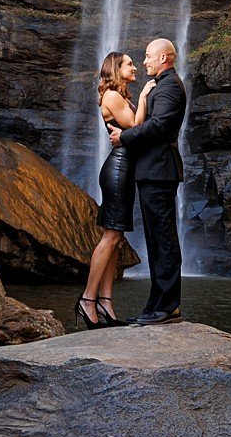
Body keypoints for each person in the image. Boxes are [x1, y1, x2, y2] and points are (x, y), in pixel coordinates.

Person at [109, 37, 187, 325]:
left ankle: (167, 307)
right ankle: (157, 304)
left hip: (159, 171)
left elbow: (159, 126)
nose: (144, 62)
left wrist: (124, 137)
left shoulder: (168, 86)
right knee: (156, 241)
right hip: (153, 171)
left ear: (164, 58)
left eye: (148, 56)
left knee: (163, 240)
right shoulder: (161, 85)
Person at [77, 51, 145, 329]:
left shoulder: (120, 96)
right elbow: (134, 126)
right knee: (110, 236)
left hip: (125, 170)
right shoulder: (114, 97)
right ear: (116, 69)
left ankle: (106, 301)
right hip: (117, 170)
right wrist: (143, 99)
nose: (135, 66)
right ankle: (87, 299)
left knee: (116, 239)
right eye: (129, 63)